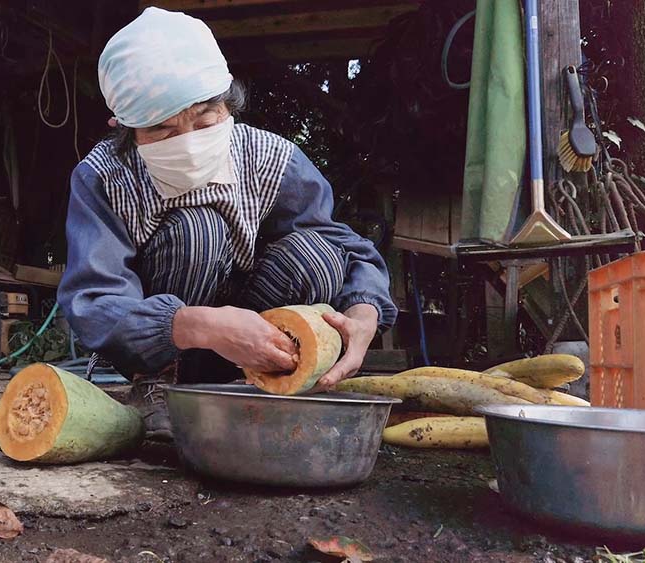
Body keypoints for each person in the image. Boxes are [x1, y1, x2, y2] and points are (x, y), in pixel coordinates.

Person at [58, 7, 397, 439]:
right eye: (162, 130)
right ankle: (160, 386)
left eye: (205, 119)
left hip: (259, 327)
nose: (188, 143)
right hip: (166, 342)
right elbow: (93, 299)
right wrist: (201, 324)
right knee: (198, 229)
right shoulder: (103, 177)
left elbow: (348, 250)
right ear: (123, 126)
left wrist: (364, 314)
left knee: (318, 254)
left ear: (228, 102)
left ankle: (266, 381)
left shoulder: (271, 158)